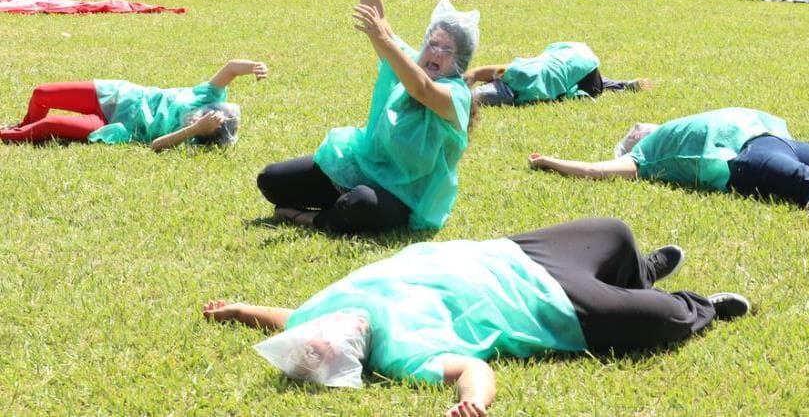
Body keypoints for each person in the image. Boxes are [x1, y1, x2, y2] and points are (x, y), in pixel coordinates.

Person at [204, 217, 750, 416]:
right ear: (348, 357)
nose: (321, 341)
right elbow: (473, 368)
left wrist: (237, 310)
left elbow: (284, 317)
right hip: (553, 308)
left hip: (517, 253)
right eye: (324, 356)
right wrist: (471, 401)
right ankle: (701, 306)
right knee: (658, 321)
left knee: (615, 232)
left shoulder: (323, 312)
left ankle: (641, 271)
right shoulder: (400, 355)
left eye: (311, 343)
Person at [256, 0, 479, 233]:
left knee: (359, 205)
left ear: (460, 63)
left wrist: (385, 40)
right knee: (272, 180)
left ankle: (310, 217)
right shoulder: (408, 62)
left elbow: (423, 91)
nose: (435, 54)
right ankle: (337, 202)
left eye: (447, 51)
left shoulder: (457, 95)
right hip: (364, 167)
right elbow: (379, 20)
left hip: (404, 195)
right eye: (433, 44)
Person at [529, 107, 809, 212]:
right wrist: (549, 161)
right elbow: (593, 170)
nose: (640, 129)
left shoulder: (680, 126)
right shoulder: (644, 156)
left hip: (770, 139)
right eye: (636, 133)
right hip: (744, 159)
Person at [0, 60, 267, 151]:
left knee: (48, 125)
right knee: (41, 93)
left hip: (115, 126)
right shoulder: (206, 95)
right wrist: (255, 66)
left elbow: (156, 145)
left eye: (211, 123)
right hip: (118, 95)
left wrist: (195, 129)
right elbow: (232, 67)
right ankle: (21, 124)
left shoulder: (192, 138)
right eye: (210, 114)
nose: (206, 115)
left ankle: (8, 133)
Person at [464, 42, 651, 106]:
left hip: (582, 66)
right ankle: (623, 84)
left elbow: (476, 75)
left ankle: (620, 85)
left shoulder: (523, 84)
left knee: (578, 87)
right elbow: (476, 73)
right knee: (570, 81)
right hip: (575, 55)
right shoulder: (513, 72)